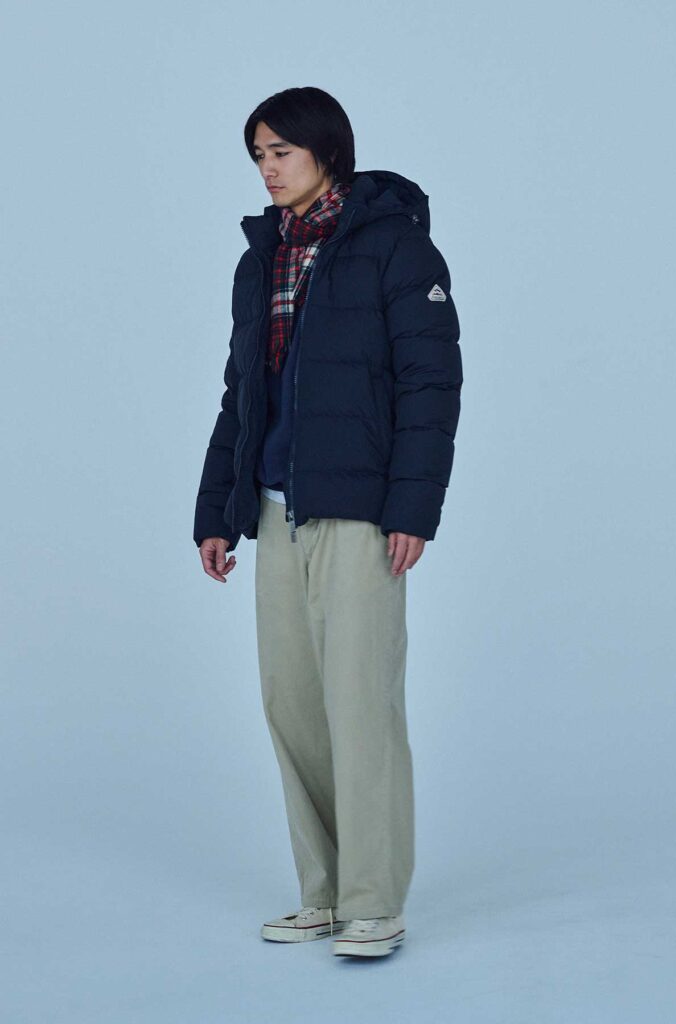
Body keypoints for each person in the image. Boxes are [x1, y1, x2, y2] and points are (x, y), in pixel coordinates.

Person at [193, 86, 463, 958]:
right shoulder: (262, 257)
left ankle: (373, 900)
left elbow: (430, 385)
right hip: (276, 510)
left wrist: (411, 506)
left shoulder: (394, 245)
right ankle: (323, 892)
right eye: (258, 155)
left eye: (280, 151)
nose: (267, 169)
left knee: (359, 706)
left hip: (359, 515)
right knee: (295, 709)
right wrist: (218, 510)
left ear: (326, 150)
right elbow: (242, 396)